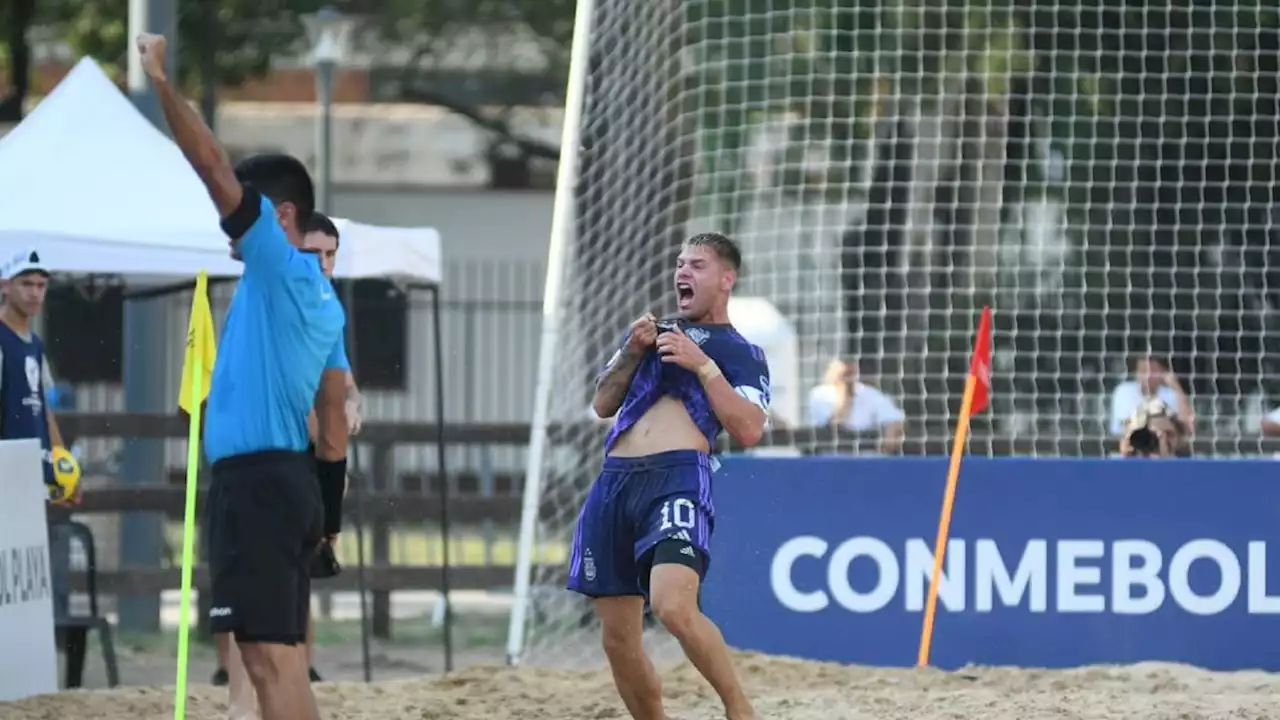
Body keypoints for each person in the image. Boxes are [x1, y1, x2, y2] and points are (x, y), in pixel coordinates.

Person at [137, 34, 349, 720]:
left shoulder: (279, 263)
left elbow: (210, 166)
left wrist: (160, 80)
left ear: (280, 216)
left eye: (250, 211)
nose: (230, 225)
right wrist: (330, 514)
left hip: (259, 483)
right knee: (268, 657)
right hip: (285, 483)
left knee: (270, 659)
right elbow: (336, 413)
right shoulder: (323, 300)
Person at [569, 232, 769, 720]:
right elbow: (602, 404)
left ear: (727, 279)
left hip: (677, 477)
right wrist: (631, 352)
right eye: (680, 264)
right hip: (615, 480)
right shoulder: (651, 334)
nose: (683, 273)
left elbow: (748, 428)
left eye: (697, 265)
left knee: (673, 606)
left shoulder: (739, 350)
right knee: (617, 636)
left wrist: (704, 368)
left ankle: (740, 709)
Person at [211, 212, 365, 713]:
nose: (322, 263)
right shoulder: (293, 302)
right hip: (292, 478)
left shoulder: (318, 310)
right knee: (268, 637)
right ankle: (243, 705)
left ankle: (244, 707)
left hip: (281, 480)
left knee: (270, 638)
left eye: (330, 255)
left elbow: (333, 406)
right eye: (313, 252)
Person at [0, 250, 78, 628]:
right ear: (5, 286)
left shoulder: (34, 344)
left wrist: (63, 467)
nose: (34, 293)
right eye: (26, 284)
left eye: (41, 285)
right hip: (7, 473)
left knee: (28, 576)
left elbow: (44, 409)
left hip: (35, 476)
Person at [807, 358, 905, 453]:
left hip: (864, 454)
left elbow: (896, 418)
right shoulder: (820, 394)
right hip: (832, 454)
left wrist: (892, 431)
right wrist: (845, 392)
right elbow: (835, 424)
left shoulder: (869, 393)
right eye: (843, 364)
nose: (848, 368)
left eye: (851, 364)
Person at [1107, 354, 1194, 437]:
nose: (1148, 376)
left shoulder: (1171, 395)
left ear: (1161, 373)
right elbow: (1123, 429)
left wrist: (1176, 387)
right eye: (1143, 371)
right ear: (1136, 373)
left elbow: (1188, 429)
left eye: (1153, 371)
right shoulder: (1124, 391)